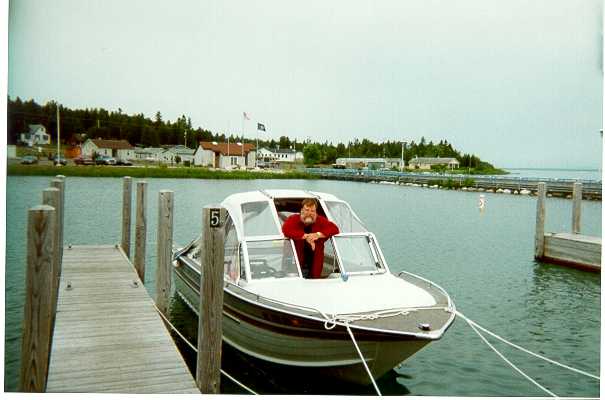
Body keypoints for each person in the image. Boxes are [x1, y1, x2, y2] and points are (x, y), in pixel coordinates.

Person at [282, 198, 339, 279]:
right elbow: (286, 230)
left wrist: (317, 234)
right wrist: (306, 236)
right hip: (295, 262)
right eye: (307, 210)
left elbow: (334, 229)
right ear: (301, 210)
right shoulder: (293, 219)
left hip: (315, 263)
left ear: (316, 212)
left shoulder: (320, 220)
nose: (309, 213)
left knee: (315, 284)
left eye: (312, 211)